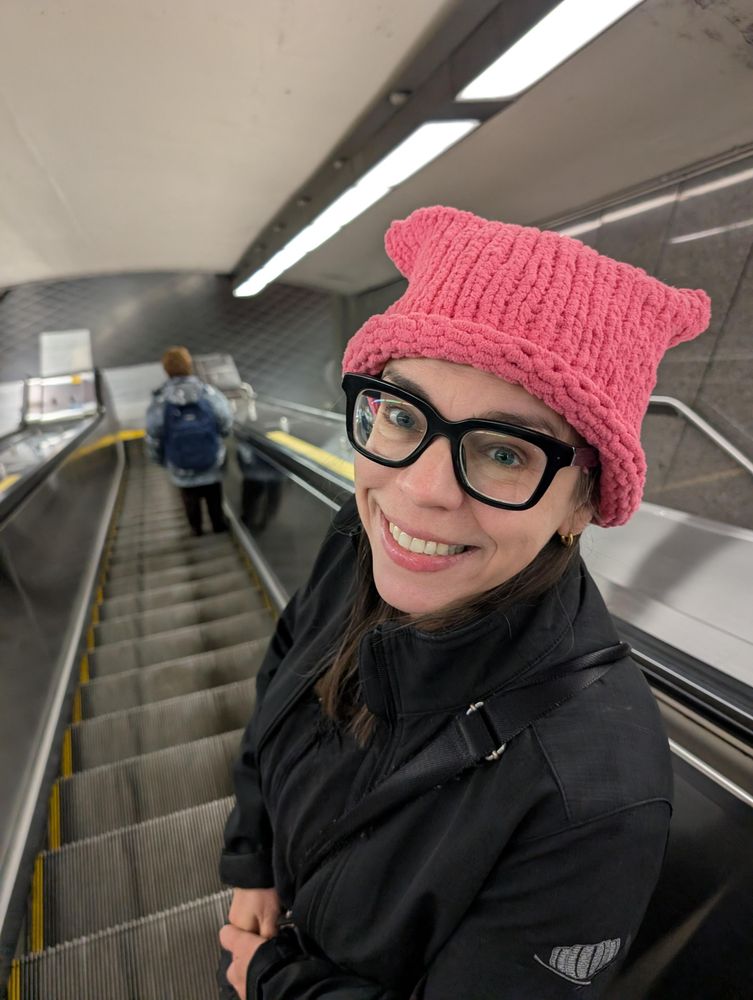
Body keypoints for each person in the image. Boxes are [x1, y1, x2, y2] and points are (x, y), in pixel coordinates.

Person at [217, 206, 711, 999]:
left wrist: (273, 980)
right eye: (402, 414)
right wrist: (253, 859)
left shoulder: (593, 794)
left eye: (506, 451)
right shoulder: (361, 539)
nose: (418, 491)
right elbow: (285, 670)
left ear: (584, 505)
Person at [145, 346, 233, 535]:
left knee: (189, 497)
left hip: (180, 464)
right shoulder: (207, 392)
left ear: (166, 370)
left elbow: (154, 433)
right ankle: (218, 524)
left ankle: (196, 528)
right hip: (211, 458)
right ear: (189, 365)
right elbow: (225, 419)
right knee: (214, 494)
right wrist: (221, 437)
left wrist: (160, 459)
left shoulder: (160, 400)